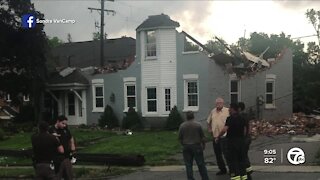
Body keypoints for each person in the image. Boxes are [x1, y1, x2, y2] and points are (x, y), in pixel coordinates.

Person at [215, 103, 247, 180]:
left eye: (230, 108)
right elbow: (245, 130)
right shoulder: (242, 118)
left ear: (233, 109)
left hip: (232, 143)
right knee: (241, 161)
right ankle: (244, 177)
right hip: (241, 142)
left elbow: (224, 130)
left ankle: (236, 177)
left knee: (233, 161)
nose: (228, 110)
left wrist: (218, 136)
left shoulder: (230, 118)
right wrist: (243, 138)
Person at [178, 111, 209, 180]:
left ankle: (190, 178)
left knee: (188, 165)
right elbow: (202, 137)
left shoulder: (182, 125)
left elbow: (180, 137)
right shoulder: (198, 125)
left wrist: (183, 144)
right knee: (200, 164)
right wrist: (203, 145)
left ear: (186, 117)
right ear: (193, 116)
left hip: (186, 146)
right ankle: (205, 178)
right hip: (196, 146)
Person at [207, 97, 230, 175]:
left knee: (226, 153)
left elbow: (230, 122)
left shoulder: (227, 111)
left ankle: (231, 168)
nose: (218, 104)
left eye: (220, 103)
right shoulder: (213, 111)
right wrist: (209, 129)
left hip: (225, 136)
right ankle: (222, 169)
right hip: (215, 136)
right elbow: (209, 121)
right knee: (217, 154)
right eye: (217, 103)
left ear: (223, 103)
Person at [49, 115, 76, 180]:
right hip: (57, 156)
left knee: (69, 174)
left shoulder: (65, 129)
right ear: (58, 121)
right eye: (63, 123)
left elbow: (70, 137)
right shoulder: (52, 130)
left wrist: (72, 145)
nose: (64, 125)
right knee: (57, 175)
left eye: (65, 124)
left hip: (66, 155)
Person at [238, 102, 253, 180]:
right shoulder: (247, 115)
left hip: (243, 139)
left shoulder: (240, 116)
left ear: (239, 108)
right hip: (248, 138)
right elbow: (250, 126)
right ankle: (248, 170)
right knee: (245, 154)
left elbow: (243, 128)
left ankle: (246, 173)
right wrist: (248, 134)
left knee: (242, 156)